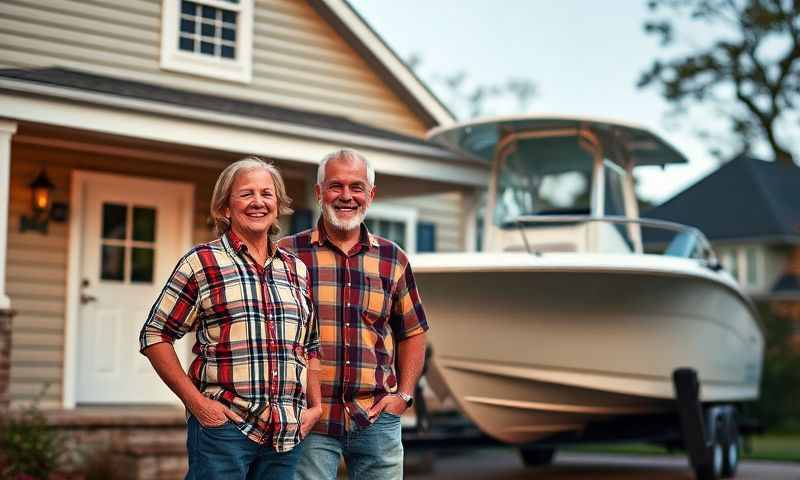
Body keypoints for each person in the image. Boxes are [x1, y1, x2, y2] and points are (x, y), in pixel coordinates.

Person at [139, 157, 322, 480]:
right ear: (225, 208)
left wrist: (315, 407)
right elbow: (155, 335)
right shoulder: (202, 262)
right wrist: (197, 403)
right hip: (225, 430)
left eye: (267, 194)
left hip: (285, 436)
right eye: (246, 193)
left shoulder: (296, 270)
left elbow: (311, 345)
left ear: (277, 206)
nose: (258, 202)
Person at [279, 149, 429, 480]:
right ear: (319, 193)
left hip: (376, 418)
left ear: (370, 195)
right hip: (309, 419)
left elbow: (413, 332)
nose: (346, 196)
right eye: (336, 186)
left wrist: (403, 396)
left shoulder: (393, 259)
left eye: (356, 187)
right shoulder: (287, 255)